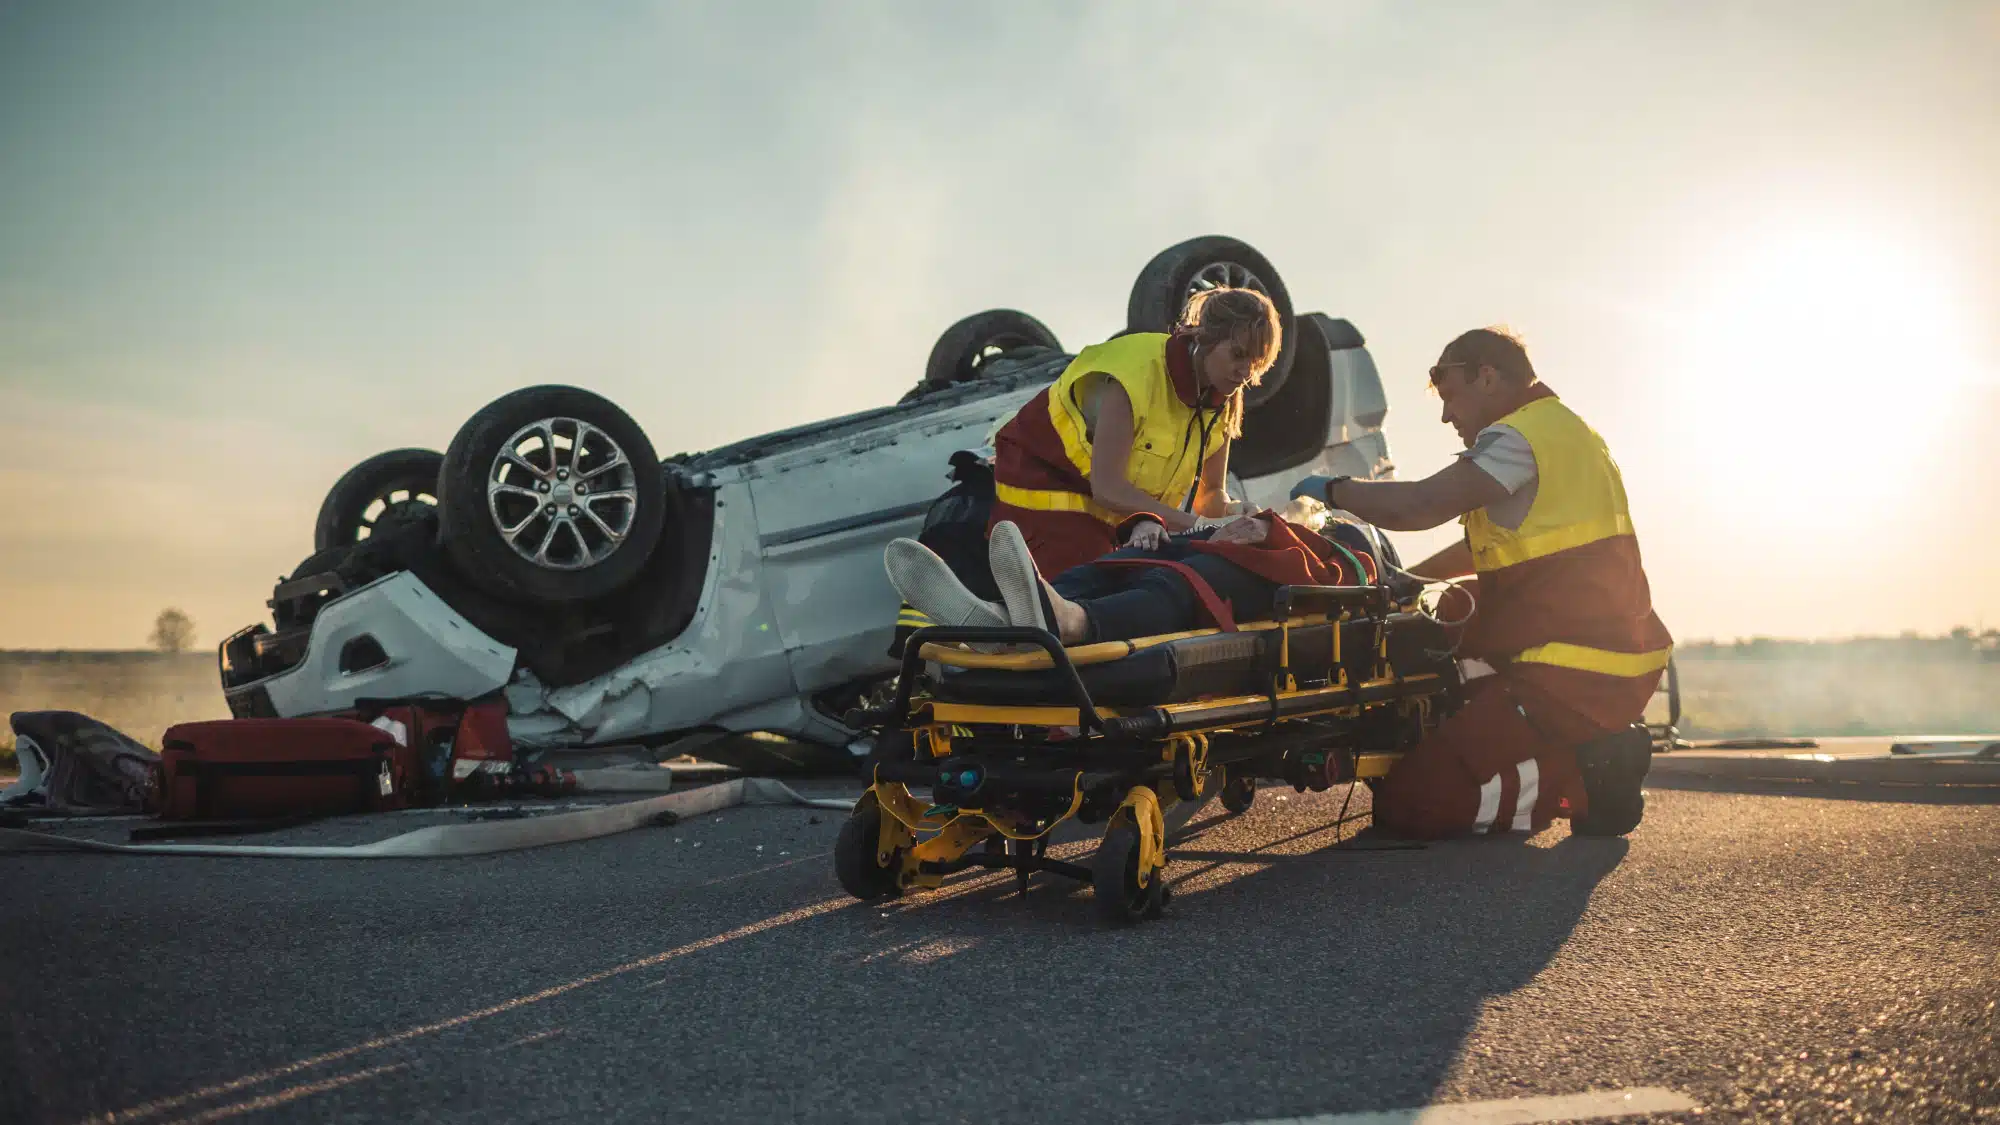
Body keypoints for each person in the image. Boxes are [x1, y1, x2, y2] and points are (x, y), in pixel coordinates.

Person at [1302, 326, 1672, 839]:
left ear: (1488, 377)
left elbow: (1422, 504)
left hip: (1569, 671)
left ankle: (1583, 775)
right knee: (1450, 614)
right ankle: (1566, 743)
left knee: (1411, 805)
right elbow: (1489, 549)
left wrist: (1333, 490)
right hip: (1601, 652)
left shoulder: (1518, 439)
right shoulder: (1566, 432)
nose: (1447, 415)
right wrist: (1404, 583)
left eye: (1451, 396)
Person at [985, 288, 1281, 579]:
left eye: (1256, 362)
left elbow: (1210, 495)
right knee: (1094, 593)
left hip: (1117, 518)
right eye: (1238, 354)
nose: (1245, 372)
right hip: (1044, 495)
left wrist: (1234, 512)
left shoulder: (1224, 399)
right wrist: (1199, 525)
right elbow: (1108, 488)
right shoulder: (1135, 375)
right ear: (1204, 337)